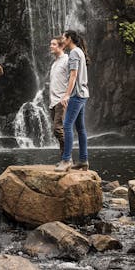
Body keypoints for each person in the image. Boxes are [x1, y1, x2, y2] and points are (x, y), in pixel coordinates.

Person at [55, 29, 90, 171]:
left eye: (64, 38)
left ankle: (66, 160)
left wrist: (66, 95)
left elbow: (73, 75)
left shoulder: (74, 53)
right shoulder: (79, 51)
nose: (62, 40)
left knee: (67, 125)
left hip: (76, 95)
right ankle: (83, 160)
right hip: (83, 93)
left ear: (69, 39)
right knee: (80, 128)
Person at [48, 36, 69, 158]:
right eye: (51, 44)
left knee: (57, 129)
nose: (51, 46)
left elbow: (73, 78)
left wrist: (67, 96)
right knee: (58, 130)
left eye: (54, 44)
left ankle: (67, 157)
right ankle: (64, 157)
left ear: (61, 46)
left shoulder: (66, 60)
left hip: (61, 100)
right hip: (53, 101)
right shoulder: (54, 63)